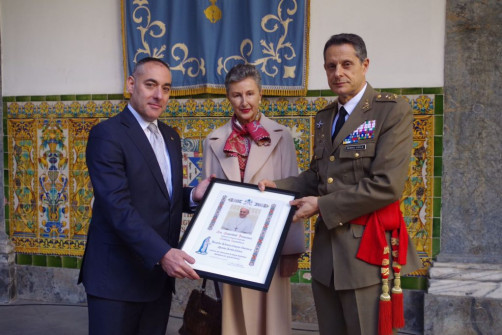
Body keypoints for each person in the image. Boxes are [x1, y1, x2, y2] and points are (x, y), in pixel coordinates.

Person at [259, 33, 422, 335]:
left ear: (365, 65)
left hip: (365, 254)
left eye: (347, 64)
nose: (338, 73)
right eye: (331, 66)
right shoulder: (324, 117)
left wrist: (321, 205)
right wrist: (275, 187)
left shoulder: (390, 110)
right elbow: (316, 176)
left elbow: (387, 185)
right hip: (326, 256)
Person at [78, 57, 212, 335]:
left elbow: (161, 196)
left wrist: (193, 198)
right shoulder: (107, 134)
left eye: (166, 88)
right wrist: (164, 253)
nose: (159, 95)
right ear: (131, 84)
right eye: (150, 85)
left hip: (156, 281)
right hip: (116, 280)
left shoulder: (170, 136)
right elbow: (118, 207)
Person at [202, 63, 303, 335]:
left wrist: (292, 250)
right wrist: (207, 252)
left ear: (260, 95)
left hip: (269, 247)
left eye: (249, 93)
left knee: (271, 320)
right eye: (236, 95)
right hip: (230, 249)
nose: (244, 101)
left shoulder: (282, 137)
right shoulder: (213, 140)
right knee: (234, 320)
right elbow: (209, 201)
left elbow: (293, 193)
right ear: (228, 97)